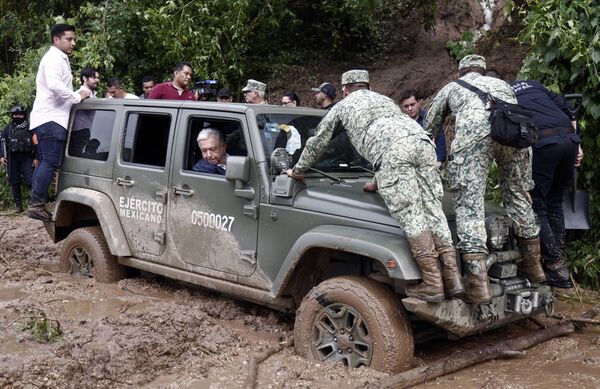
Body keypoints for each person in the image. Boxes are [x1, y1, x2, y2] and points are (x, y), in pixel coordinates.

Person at [286, 69, 463, 302]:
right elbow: (391, 137)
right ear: (368, 87)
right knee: (433, 209)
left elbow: (319, 141)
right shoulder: (385, 101)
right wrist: (377, 182)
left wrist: (298, 170)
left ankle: (432, 284)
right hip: (423, 143)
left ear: (345, 90)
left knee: (411, 215)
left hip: (394, 153)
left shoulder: (343, 106)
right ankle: (453, 279)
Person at [424, 54, 545, 304]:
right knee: (519, 196)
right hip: (514, 136)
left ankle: (478, 285)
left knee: (470, 204)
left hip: (475, 139)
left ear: (461, 72)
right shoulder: (502, 85)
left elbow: (429, 127)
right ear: (483, 70)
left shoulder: (453, 87)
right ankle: (534, 267)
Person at [512, 80, 583, 288]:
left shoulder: (504, 92)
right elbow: (569, 110)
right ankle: (560, 260)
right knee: (555, 201)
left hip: (544, 144)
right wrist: (577, 145)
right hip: (569, 140)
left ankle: (555, 266)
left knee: (538, 205)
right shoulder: (535, 85)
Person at [27, 24, 91, 221]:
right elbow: (55, 86)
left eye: (73, 39)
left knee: (48, 161)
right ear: (56, 39)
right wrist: (77, 96)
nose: (73, 43)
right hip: (51, 118)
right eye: (69, 39)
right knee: (50, 161)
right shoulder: (54, 58)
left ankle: (38, 202)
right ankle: (36, 204)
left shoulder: (59, 58)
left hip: (52, 118)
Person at [0, 106, 39, 213]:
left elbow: (36, 144)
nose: (17, 116)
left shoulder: (31, 129)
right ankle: (18, 206)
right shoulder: (7, 129)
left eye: (20, 114)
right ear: (12, 116)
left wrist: (36, 158)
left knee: (31, 180)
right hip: (12, 158)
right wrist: (1, 156)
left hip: (27, 157)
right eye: (16, 115)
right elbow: (2, 143)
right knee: (14, 182)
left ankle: (34, 204)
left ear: (24, 116)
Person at [399, 88, 447, 167]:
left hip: (431, 164)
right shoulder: (401, 124)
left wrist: (439, 161)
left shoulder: (430, 119)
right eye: (406, 106)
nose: (410, 109)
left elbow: (440, 140)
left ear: (418, 103)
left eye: (412, 104)